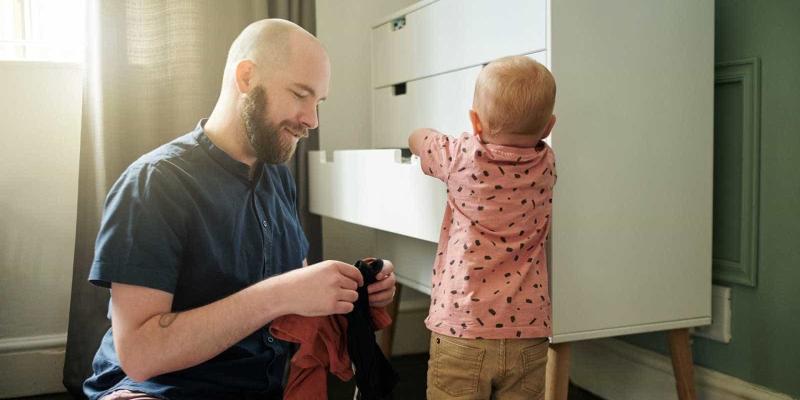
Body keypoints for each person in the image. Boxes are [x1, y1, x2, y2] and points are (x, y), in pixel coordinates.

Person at [82, 19, 397, 400]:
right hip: (160, 388)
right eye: (300, 94)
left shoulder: (278, 179)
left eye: (319, 103)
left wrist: (349, 289)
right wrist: (279, 294)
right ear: (246, 77)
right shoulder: (154, 184)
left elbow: (290, 294)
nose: (312, 120)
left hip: (262, 385)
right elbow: (139, 355)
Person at [408, 55, 557, 400]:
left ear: (474, 121)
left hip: (462, 327)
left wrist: (419, 136)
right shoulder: (546, 164)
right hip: (529, 332)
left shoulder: (460, 155)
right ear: (548, 128)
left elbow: (421, 139)